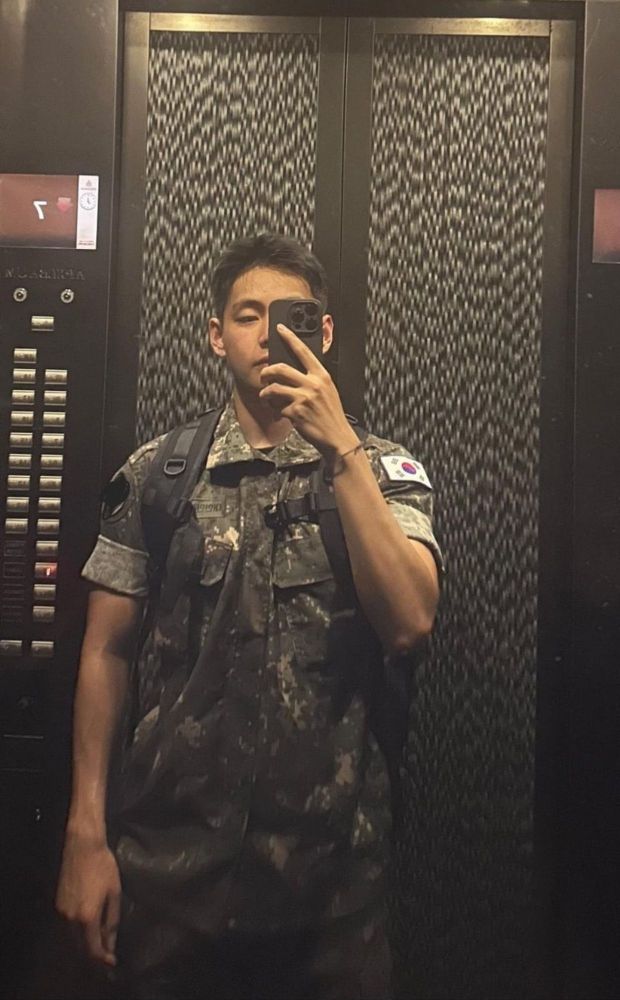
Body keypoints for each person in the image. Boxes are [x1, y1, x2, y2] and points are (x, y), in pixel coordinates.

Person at [56, 233, 442, 999]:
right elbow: (105, 653)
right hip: (168, 884)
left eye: (289, 316)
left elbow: (409, 622)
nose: (268, 334)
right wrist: (85, 834)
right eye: (246, 315)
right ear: (215, 335)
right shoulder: (158, 475)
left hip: (332, 897)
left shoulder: (385, 471)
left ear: (322, 333)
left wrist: (340, 451)